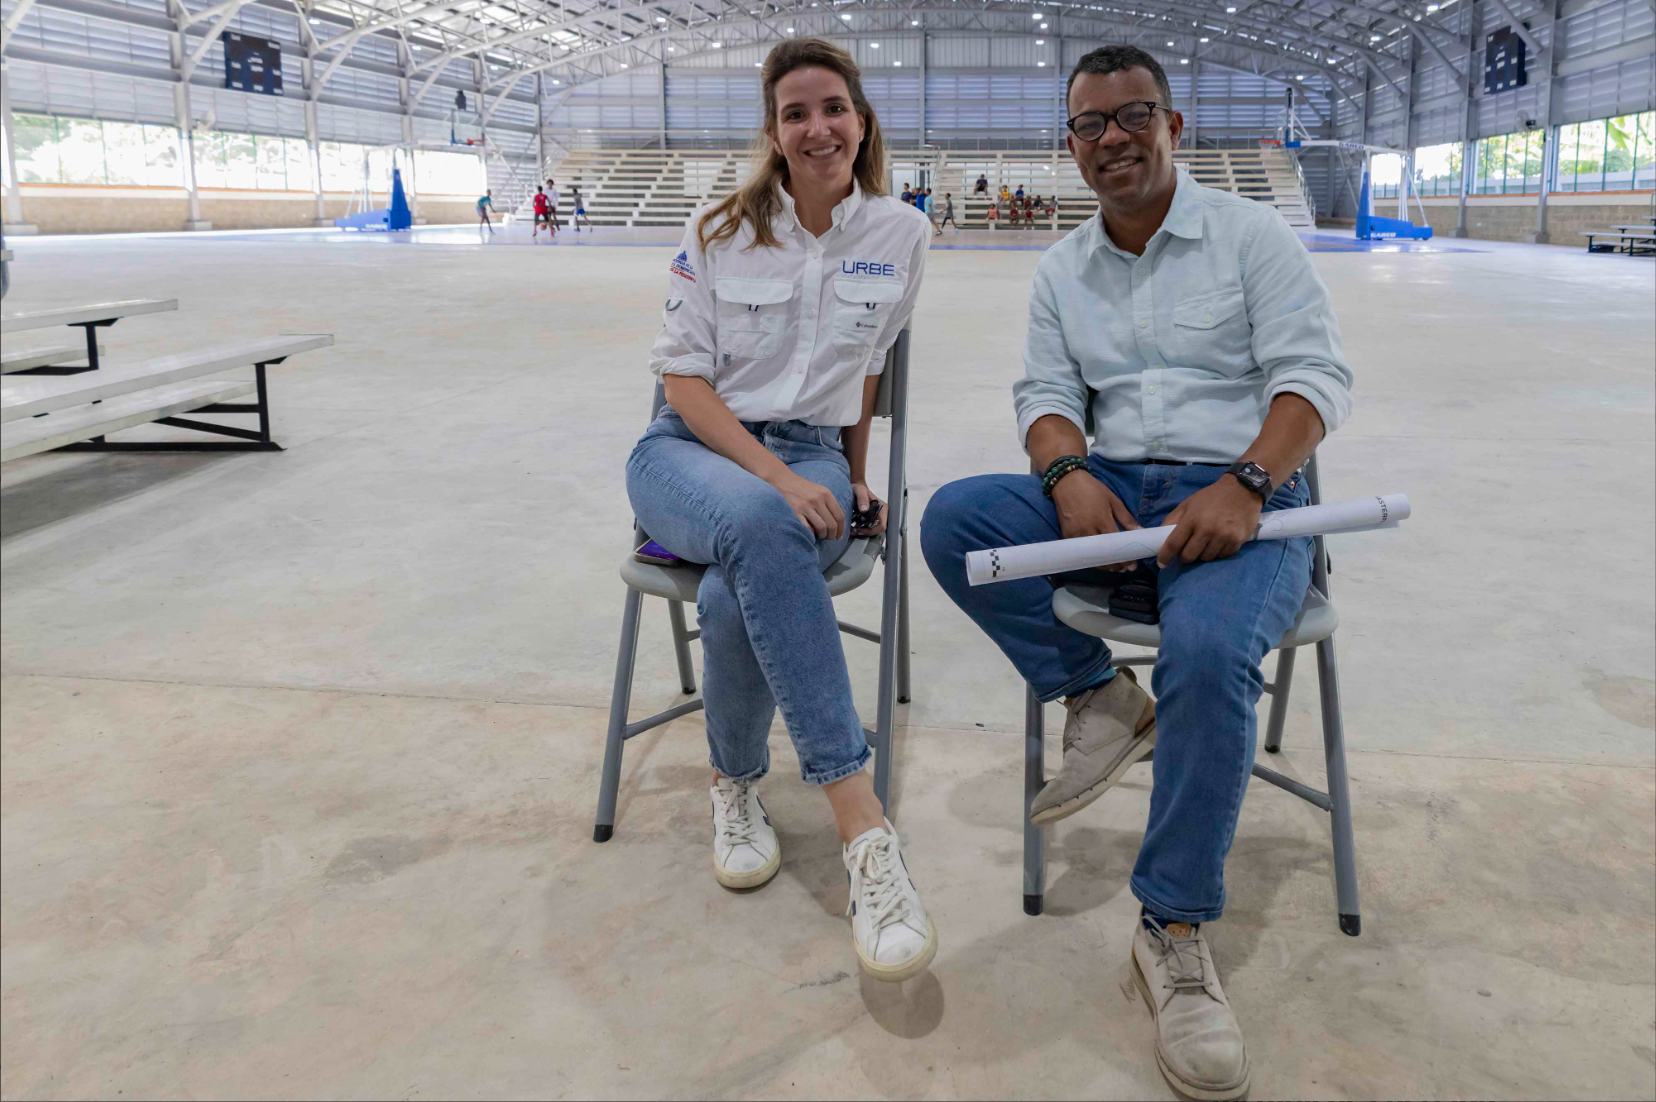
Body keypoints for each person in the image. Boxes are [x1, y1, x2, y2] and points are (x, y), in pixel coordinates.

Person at [920, 44, 1352, 1101]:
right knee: (955, 524)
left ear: (1174, 127)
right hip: (1113, 491)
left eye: (1133, 116)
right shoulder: (1064, 267)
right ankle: (1099, 696)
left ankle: (1172, 930)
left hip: (1239, 497)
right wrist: (1065, 469)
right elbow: (1045, 393)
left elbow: (1313, 379)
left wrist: (1249, 481)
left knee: (1207, 654)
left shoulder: (1252, 237)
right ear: (1069, 145)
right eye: (1090, 124)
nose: (1112, 138)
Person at [628, 37, 937, 983]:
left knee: (733, 598)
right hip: (689, 450)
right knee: (764, 526)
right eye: (796, 113)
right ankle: (863, 829)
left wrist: (852, 476)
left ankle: (736, 783)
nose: (817, 128)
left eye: (833, 108)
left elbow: (868, 369)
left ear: (861, 119)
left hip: (814, 458)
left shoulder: (901, 234)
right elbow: (683, 387)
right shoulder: (717, 229)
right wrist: (777, 480)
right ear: (773, 130)